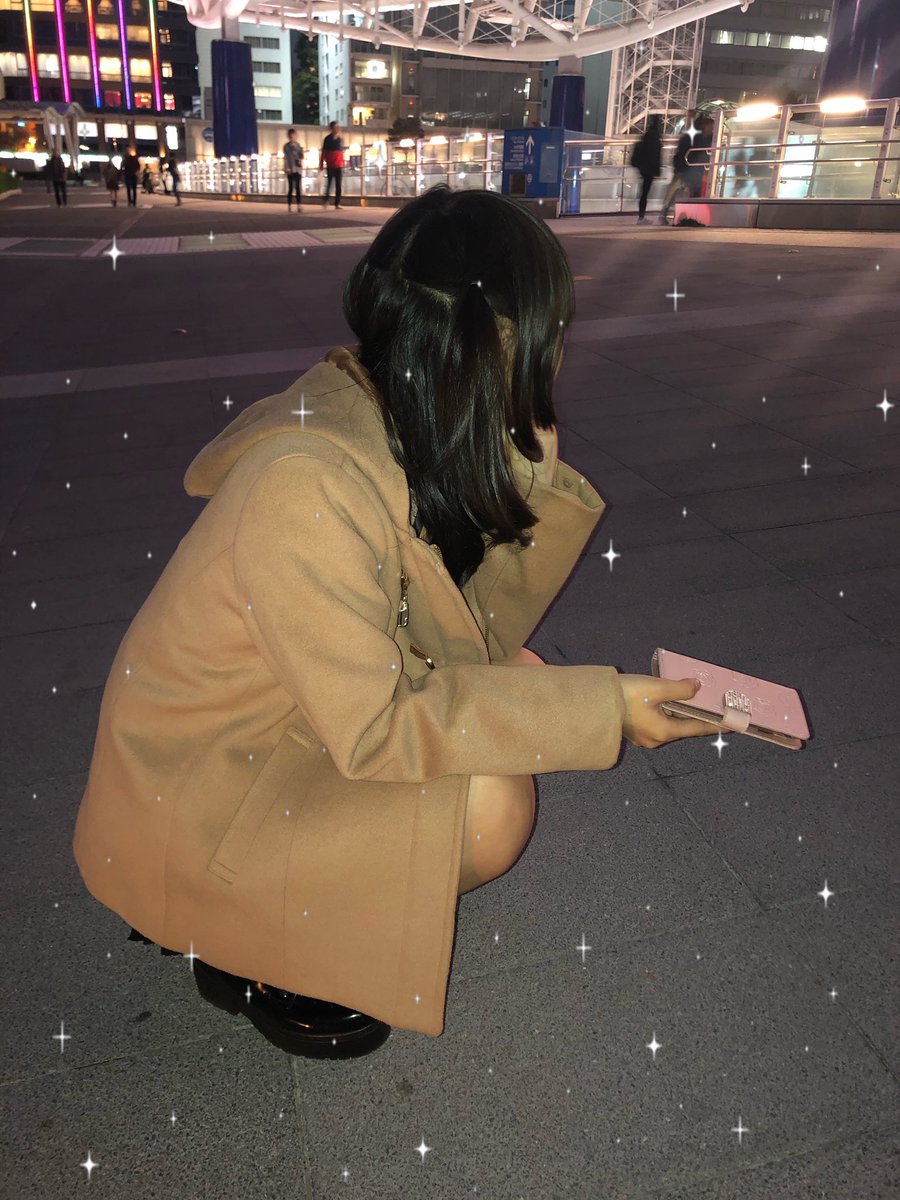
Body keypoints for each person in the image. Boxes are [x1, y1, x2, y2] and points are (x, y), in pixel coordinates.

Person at [72, 185, 711, 1063]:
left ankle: (276, 913)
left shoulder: (387, 416)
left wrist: (529, 469)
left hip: (274, 738)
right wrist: (609, 711)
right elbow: (380, 728)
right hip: (199, 803)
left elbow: (473, 638)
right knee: (490, 807)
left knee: (520, 683)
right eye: (551, 334)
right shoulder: (305, 488)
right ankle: (251, 949)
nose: (559, 355)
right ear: (500, 346)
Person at [658, 116, 713, 225]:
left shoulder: (692, 135)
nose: (711, 129)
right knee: (692, 191)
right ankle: (691, 216)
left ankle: (665, 213)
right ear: (704, 125)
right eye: (710, 127)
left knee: (676, 190)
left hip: (684, 167)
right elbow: (699, 152)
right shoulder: (699, 137)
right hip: (688, 168)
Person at [629, 114, 662, 223]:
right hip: (650, 169)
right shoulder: (656, 137)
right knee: (645, 193)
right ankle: (641, 217)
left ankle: (641, 216)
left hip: (643, 167)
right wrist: (657, 170)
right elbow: (656, 155)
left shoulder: (646, 135)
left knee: (643, 193)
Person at [320, 121, 344, 209]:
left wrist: (342, 162)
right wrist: (321, 164)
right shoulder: (327, 139)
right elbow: (324, 152)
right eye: (335, 127)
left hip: (339, 165)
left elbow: (341, 152)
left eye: (338, 127)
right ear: (332, 128)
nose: (337, 129)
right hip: (330, 165)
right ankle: (326, 199)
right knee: (329, 183)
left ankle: (337, 203)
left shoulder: (340, 139)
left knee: (338, 184)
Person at [283, 127, 303, 211]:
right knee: (291, 187)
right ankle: (289, 205)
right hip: (290, 169)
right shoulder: (286, 146)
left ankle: (299, 205)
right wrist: (287, 168)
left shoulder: (298, 145)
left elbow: (301, 156)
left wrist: (301, 156)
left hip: (297, 169)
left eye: (294, 135)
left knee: (298, 187)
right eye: (291, 135)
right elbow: (286, 158)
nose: (293, 137)